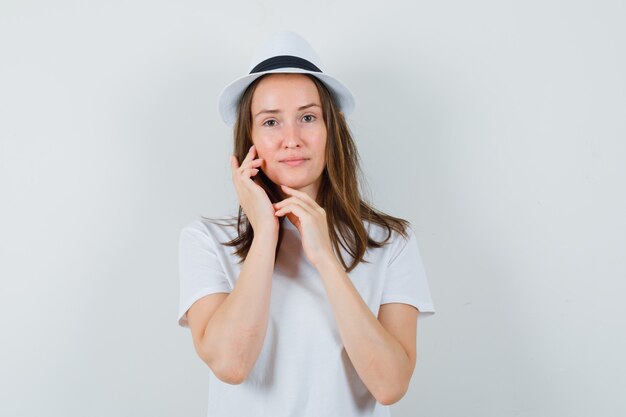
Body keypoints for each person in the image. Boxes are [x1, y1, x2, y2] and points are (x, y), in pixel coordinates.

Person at [177, 31, 435, 417]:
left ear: (334, 128)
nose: (291, 139)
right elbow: (232, 365)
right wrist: (265, 231)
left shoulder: (390, 242)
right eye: (270, 122)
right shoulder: (207, 240)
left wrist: (325, 258)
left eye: (308, 117)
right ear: (249, 136)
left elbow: (390, 385)